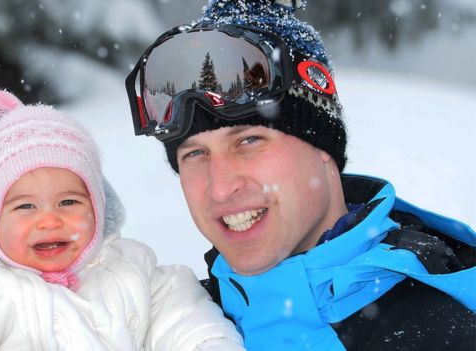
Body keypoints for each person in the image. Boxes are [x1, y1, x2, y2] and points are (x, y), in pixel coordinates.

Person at [125, 0, 476, 350]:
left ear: (323, 146)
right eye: (195, 154)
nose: (220, 188)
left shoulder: (442, 335)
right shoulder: (173, 326)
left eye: (249, 140)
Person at [0, 87, 244, 350]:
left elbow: (189, 325)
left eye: (69, 201)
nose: (49, 221)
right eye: (25, 206)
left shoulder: (135, 273)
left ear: (97, 208)